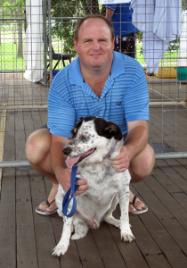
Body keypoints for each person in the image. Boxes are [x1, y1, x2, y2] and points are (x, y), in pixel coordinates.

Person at [25, 14, 155, 216]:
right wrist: (61, 173)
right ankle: (57, 186)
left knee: (145, 158)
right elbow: (59, 140)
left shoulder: (133, 71)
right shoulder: (62, 81)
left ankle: (121, 189)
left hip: (114, 141)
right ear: (76, 44)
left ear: (113, 42)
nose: (96, 47)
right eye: (88, 40)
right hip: (75, 140)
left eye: (102, 40)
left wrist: (127, 152)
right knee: (35, 145)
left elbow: (139, 127)